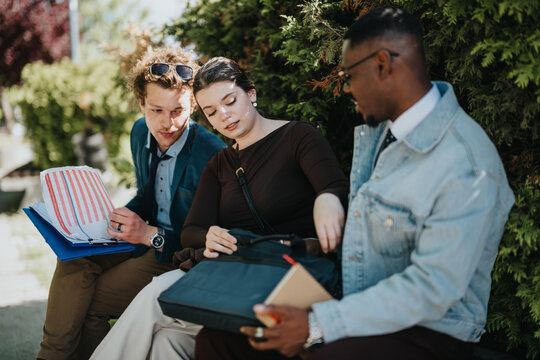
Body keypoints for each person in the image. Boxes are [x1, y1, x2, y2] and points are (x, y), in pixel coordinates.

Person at [194, 6, 515, 360]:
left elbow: (432, 289)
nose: (346, 88)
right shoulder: (383, 135)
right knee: (217, 340)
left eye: (350, 75)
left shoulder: (466, 162)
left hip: (430, 330)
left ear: (382, 65)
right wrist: (314, 245)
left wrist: (317, 323)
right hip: (357, 305)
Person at [89, 56, 349, 360]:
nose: (223, 116)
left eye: (230, 101)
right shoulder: (220, 163)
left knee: (156, 296)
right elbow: (190, 234)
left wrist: (328, 198)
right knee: (167, 340)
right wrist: (210, 234)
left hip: (294, 276)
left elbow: (337, 187)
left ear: (250, 92)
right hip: (238, 273)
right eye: (211, 112)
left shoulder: (297, 137)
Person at [37, 47, 226, 360]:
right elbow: (147, 194)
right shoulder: (140, 132)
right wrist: (112, 218)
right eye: (156, 110)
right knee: (73, 258)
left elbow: (205, 240)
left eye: (177, 110)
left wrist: (148, 234)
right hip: (141, 239)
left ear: (192, 105)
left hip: (175, 254)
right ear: (141, 104)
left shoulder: (212, 155)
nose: (168, 123)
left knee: (91, 305)